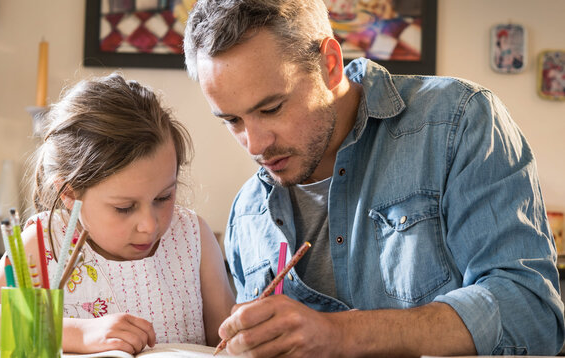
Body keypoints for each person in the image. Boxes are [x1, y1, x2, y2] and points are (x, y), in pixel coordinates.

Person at [183, 0, 565, 356]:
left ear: (330, 64)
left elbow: (531, 313)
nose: (255, 145)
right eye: (232, 121)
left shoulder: (459, 121)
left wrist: (340, 334)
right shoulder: (246, 215)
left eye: (271, 108)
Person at [0, 74, 235, 354]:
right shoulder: (45, 242)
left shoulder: (192, 238)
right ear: (69, 194)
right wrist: (77, 333)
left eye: (163, 197)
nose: (150, 225)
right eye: (124, 207)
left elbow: (227, 341)